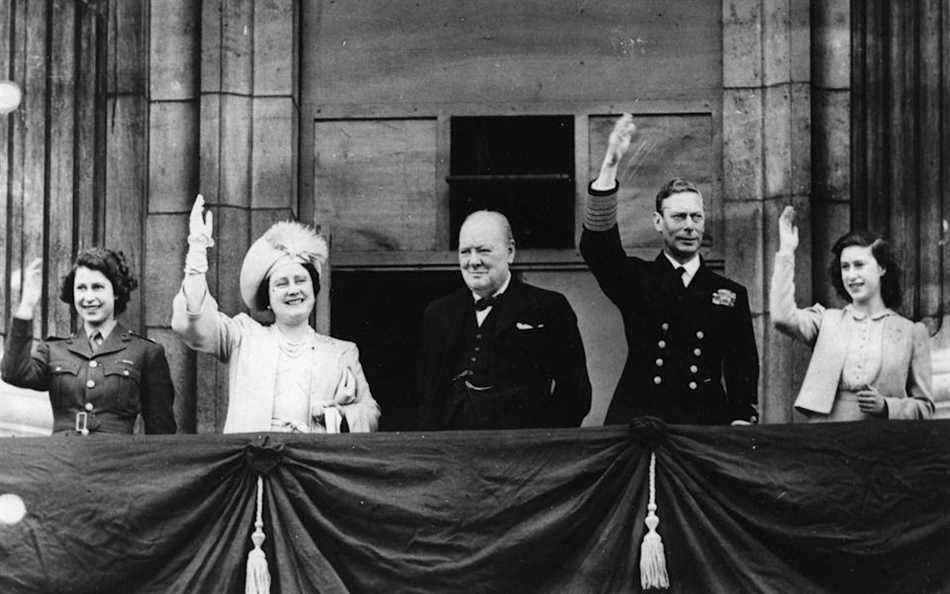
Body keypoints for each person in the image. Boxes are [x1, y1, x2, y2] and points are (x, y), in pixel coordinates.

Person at [579, 113, 759, 425]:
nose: (690, 227)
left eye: (696, 217)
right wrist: (610, 166)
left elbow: (742, 365)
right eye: (679, 217)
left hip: (703, 423)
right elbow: (598, 250)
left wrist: (742, 418)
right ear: (658, 222)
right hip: (640, 421)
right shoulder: (637, 280)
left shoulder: (729, 293)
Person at [171, 195, 380, 433]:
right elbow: (194, 323)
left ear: (314, 289)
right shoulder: (243, 337)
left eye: (300, 280)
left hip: (313, 465)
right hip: (254, 464)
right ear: (267, 298)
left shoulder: (342, 352)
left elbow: (370, 415)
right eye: (281, 284)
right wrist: (197, 255)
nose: (293, 290)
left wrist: (336, 414)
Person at [417, 210, 591, 430]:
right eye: (465, 252)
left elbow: (576, 394)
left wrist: (542, 446)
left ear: (510, 252)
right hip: (454, 454)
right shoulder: (438, 314)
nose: (473, 261)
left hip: (522, 455)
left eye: (483, 251)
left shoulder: (549, 307)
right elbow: (427, 396)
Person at [770, 206, 934, 421]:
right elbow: (782, 317)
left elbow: (925, 407)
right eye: (845, 267)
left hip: (883, 441)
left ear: (881, 268)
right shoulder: (827, 320)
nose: (851, 275)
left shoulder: (911, 331)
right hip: (826, 436)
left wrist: (887, 407)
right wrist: (787, 251)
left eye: (859, 265)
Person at [2, 249, 176, 435]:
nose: (88, 297)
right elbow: (13, 373)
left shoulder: (145, 351)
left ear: (116, 292)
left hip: (115, 461)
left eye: (98, 287)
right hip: (63, 459)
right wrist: (27, 304)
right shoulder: (54, 349)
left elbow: (161, 431)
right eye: (81, 288)